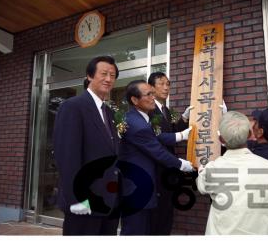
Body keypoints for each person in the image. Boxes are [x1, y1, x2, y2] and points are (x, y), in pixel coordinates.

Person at [53, 56, 121, 235]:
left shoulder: (108, 112)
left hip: (109, 201)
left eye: (112, 75)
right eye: (104, 74)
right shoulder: (73, 106)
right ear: (89, 76)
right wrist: (76, 198)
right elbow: (67, 155)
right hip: (85, 201)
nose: (108, 79)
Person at [196, 111, 268, 235]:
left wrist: (202, 169)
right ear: (250, 134)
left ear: (221, 139)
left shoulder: (213, 169)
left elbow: (201, 185)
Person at [118, 79, 194, 235]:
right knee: (135, 230)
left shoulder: (140, 117)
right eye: (148, 94)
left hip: (142, 185)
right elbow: (157, 150)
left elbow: (155, 137)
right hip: (137, 188)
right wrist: (182, 164)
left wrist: (180, 136)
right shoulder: (136, 124)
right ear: (134, 100)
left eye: (153, 93)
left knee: (144, 228)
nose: (153, 97)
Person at [147, 71, 193, 235]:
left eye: (168, 84)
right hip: (157, 169)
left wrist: (185, 118)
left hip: (169, 170)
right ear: (151, 88)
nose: (166, 87)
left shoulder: (166, 110)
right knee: (158, 214)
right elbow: (158, 137)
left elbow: (173, 130)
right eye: (161, 83)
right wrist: (181, 135)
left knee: (167, 211)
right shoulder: (150, 110)